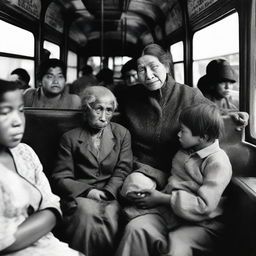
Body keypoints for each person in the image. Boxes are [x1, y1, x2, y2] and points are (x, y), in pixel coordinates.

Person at [115, 43, 246, 256]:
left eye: (153, 67)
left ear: (166, 66)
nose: (147, 75)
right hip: (146, 171)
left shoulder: (190, 97)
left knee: (170, 239)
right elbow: (103, 103)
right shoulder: (129, 96)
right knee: (133, 200)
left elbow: (208, 118)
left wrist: (234, 117)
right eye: (141, 69)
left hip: (178, 189)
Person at [119, 103, 232, 256]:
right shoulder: (186, 150)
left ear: (203, 137)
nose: (178, 134)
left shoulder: (218, 163)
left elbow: (204, 206)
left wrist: (163, 199)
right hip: (171, 214)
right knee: (136, 228)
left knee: (176, 246)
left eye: (183, 131)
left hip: (202, 223)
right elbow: (174, 179)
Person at [0, 79, 83, 256]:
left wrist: (50, 213)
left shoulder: (25, 153)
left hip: (45, 243)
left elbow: (52, 203)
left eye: (20, 111)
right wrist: (48, 216)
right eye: (5, 112)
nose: (17, 121)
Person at [51, 86, 133, 256]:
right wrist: (89, 192)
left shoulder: (122, 134)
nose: (104, 117)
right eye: (98, 109)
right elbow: (61, 177)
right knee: (86, 214)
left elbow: (123, 170)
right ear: (86, 109)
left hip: (111, 195)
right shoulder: (70, 138)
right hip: (81, 196)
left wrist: (108, 192)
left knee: (111, 213)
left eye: (109, 111)